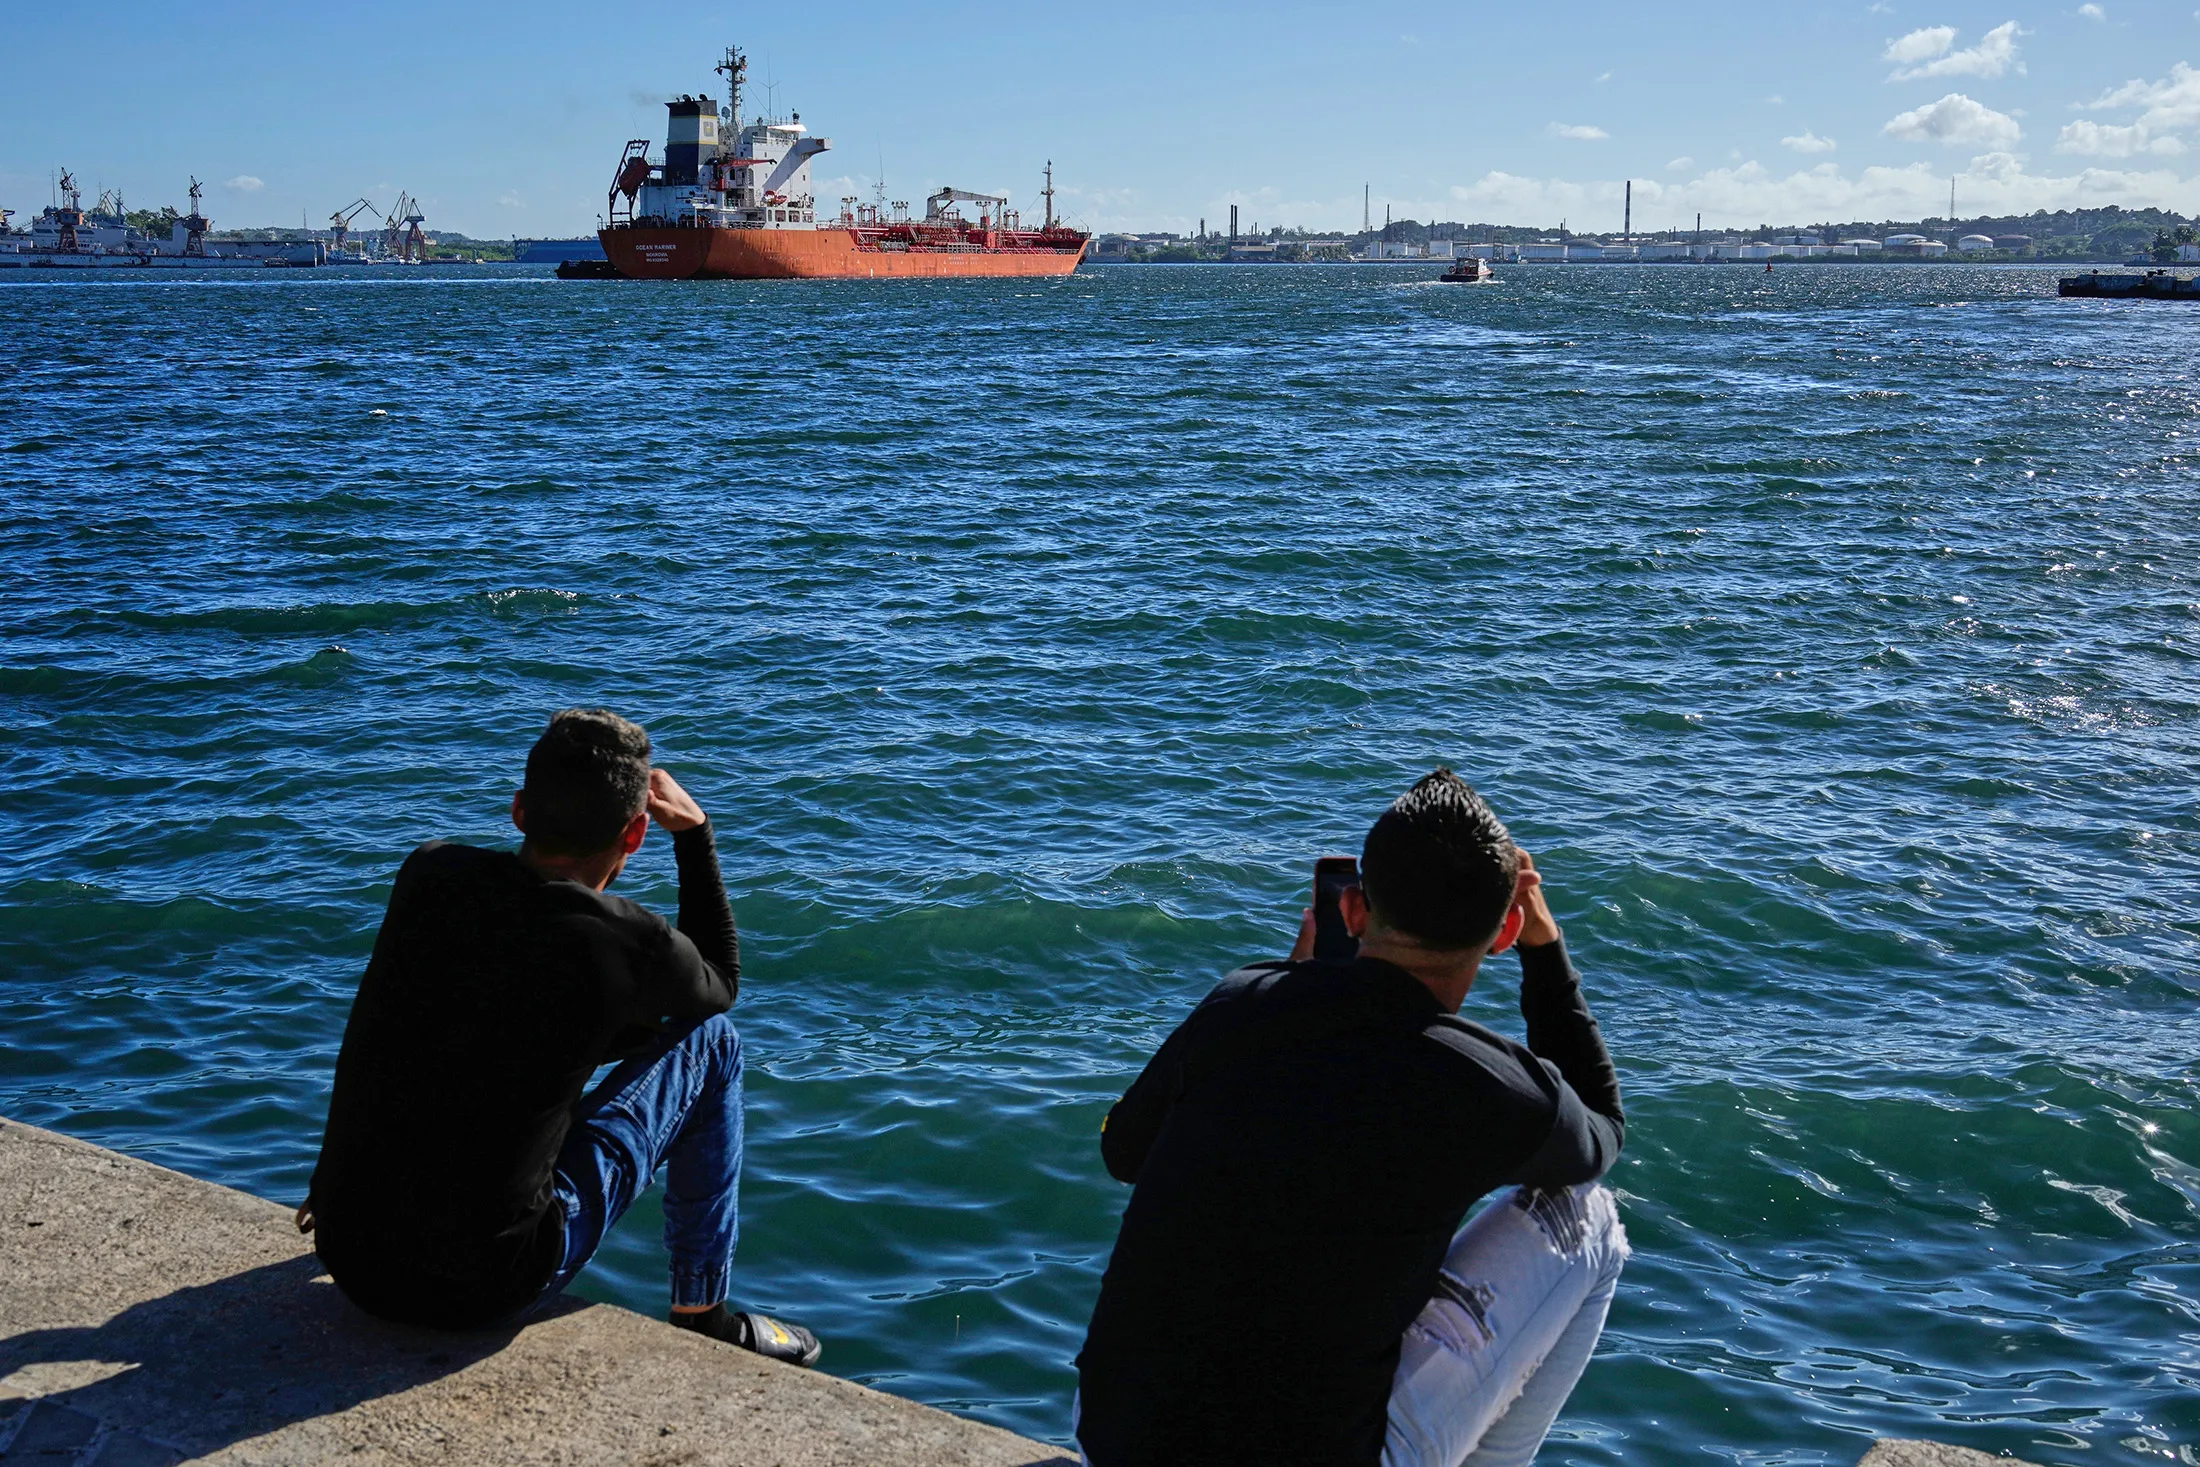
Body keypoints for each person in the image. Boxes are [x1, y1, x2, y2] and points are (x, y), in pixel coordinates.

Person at [1076, 770, 1627, 1467]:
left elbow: (1126, 1152)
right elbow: (1602, 1129)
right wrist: (1546, 955)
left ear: (1356, 912)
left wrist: (1290, 982)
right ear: (1505, 928)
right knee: (1592, 1215)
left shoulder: (1237, 1003)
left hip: (1117, 1436)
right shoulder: (1491, 1087)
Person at [299, 708, 820, 1364]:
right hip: (486, 1287)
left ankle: (349, 1193)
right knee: (713, 1043)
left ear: (519, 810)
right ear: (635, 835)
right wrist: (695, 835)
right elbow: (718, 984)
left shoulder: (430, 874)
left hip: (352, 1259)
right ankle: (704, 1314)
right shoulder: (633, 943)